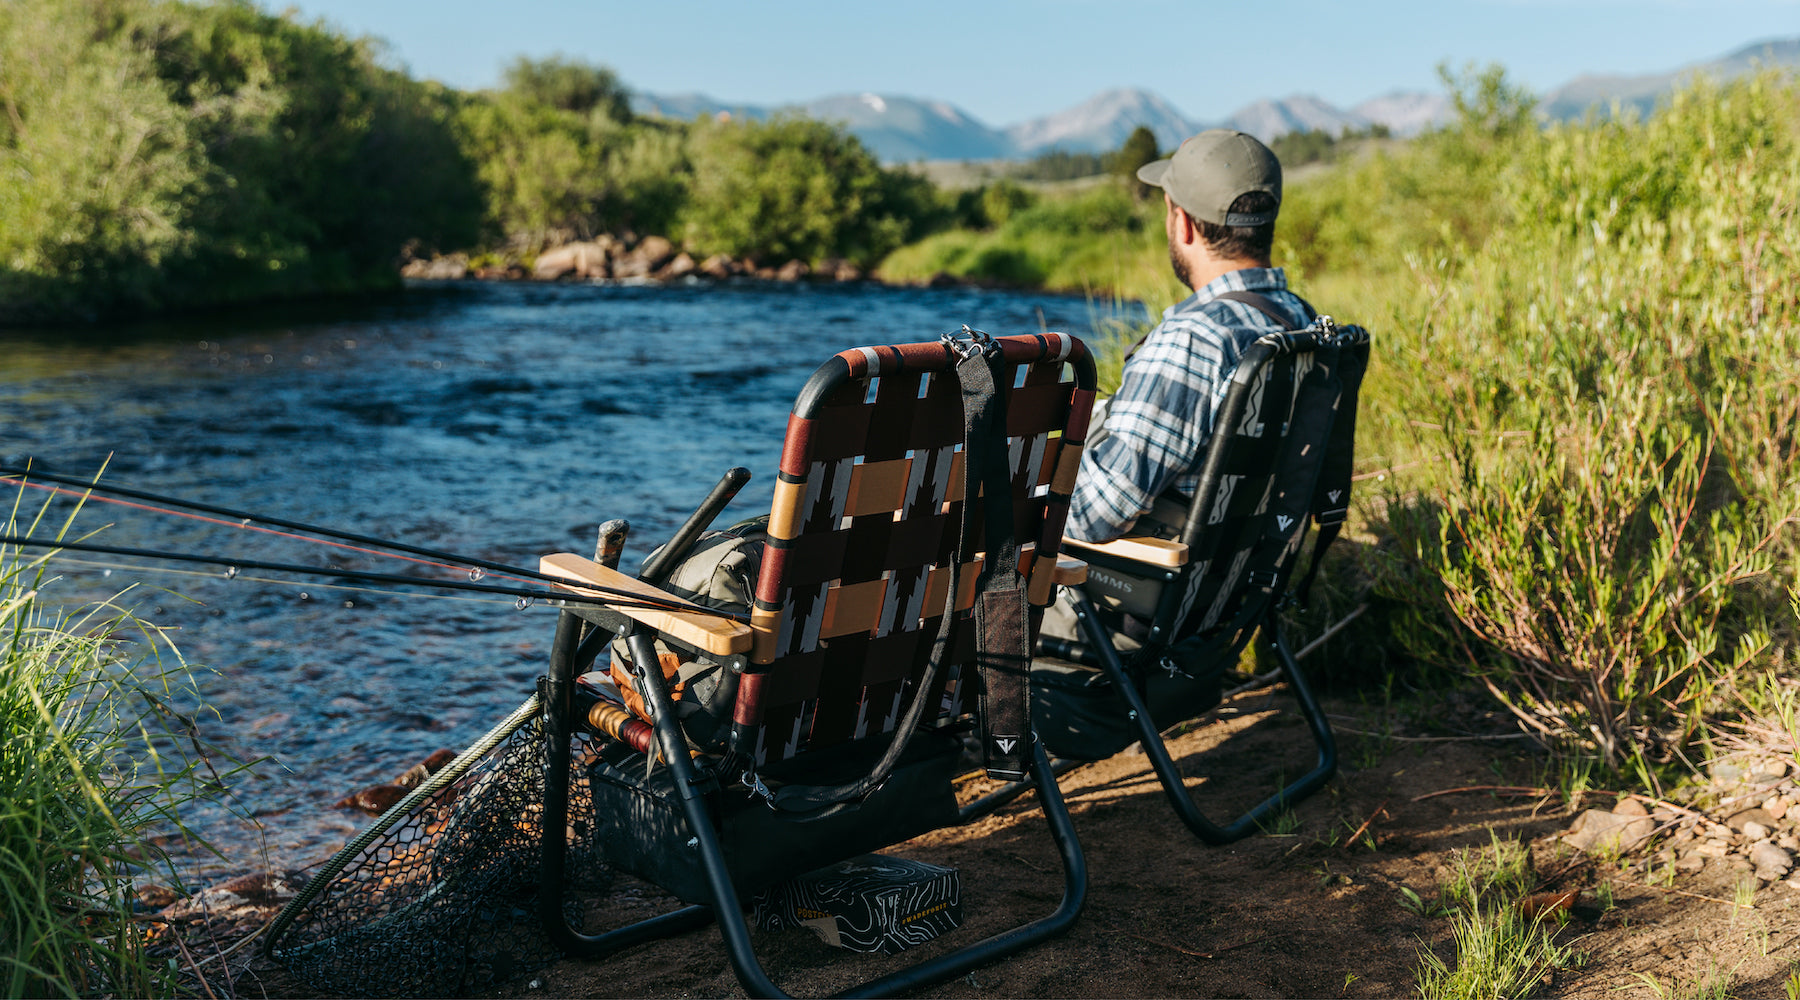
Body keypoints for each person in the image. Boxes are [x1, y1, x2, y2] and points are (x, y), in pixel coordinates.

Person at [1040, 129, 1316, 657]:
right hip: (1218, 614)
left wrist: (1005, 485)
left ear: (1182, 222)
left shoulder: (1192, 338)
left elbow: (1094, 515)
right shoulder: (1299, 325)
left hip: (1119, 621)